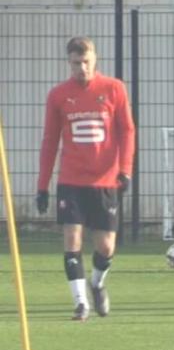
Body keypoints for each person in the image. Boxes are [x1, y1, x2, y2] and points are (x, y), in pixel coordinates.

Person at [36, 36, 135, 321]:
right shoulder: (58, 95)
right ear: (69, 63)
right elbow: (50, 140)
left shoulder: (114, 89)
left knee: (105, 246)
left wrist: (125, 169)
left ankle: (97, 283)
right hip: (72, 181)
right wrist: (42, 186)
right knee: (72, 237)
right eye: (76, 63)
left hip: (105, 181)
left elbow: (127, 131)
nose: (82, 68)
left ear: (96, 60)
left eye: (86, 62)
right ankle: (81, 303)